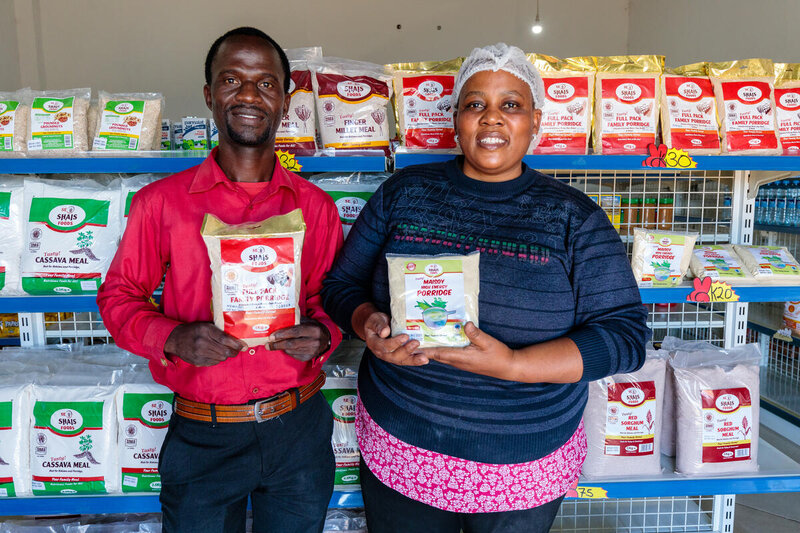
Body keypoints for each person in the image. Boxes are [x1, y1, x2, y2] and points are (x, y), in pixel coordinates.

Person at [321, 43, 651, 532]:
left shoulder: (574, 217)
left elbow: (625, 339)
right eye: (476, 104)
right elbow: (342, 283)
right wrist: (367, 324)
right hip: (402, 445)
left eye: (510, 105)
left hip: (523, 464)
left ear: (535, 120)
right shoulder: (404, 193)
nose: (492, 119)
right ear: (455, 118)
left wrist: (513, 365)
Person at [97, 27, 343, 533]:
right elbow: (119, 297)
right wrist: (173, 337)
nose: (249, 95)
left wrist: (325, 334)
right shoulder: (161, 204)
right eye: (232, 80)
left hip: (298, 431)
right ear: (210, 95)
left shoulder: (313, 206)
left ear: (285, 97)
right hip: (202, 436)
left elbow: (331, 299)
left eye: (266, 83)